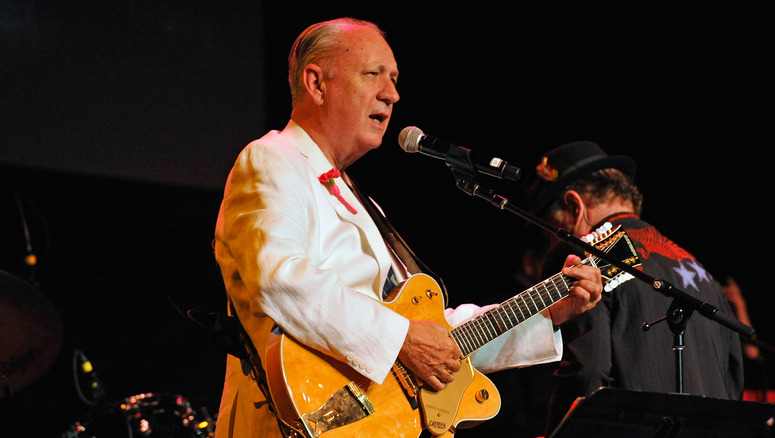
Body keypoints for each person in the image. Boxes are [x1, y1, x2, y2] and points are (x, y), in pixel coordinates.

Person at [212, 18, 603, 438]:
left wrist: (548, 312)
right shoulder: (272, 158)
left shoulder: (362, 201)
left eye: (395, 79)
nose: (392, 93)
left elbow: (434, 340)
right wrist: (402, 339)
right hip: (294, 421)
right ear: (316, 82)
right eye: (373, 74)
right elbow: (280, 279)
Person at [521, 141, 744, 435]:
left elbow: (587, 374)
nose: (551, 241)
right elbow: (734, 379)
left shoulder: (584, 259)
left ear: (574, 206)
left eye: (549, 228)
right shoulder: (702, 273)